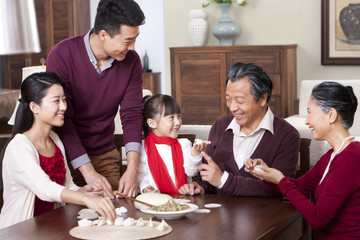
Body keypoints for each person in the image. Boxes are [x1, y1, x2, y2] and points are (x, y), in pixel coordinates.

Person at [46, 0, 146, 198]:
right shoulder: (61, 55)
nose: (133, 47)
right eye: (127, 41)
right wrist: (88, 172)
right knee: (67, 222)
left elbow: (132, 114)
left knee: (121, 213)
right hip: (65, 156)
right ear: (103, 35)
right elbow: (62, 120)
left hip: (105, 154)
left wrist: (132, 170)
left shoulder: (132, 61)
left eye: (135, 39)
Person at [0, 72, 116, 229]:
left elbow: (67, 186)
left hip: (50, 227)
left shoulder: (54, 139)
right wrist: (86, 200)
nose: (63, 107)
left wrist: (84, 191)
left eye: (64, 100)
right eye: (56, 101)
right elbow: (45, 188)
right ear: (34, 107)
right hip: (20, 232)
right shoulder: (19, 148)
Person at [245, 81, 360, 239]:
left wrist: (281, 181)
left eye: (310, 112)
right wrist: (267, 174)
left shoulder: (351, 158)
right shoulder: (331, 156)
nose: (306, 121)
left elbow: (318, 219)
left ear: (331, 115)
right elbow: (299, 187)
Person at [178, 63, 300, 197]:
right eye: (228, 100)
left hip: (264, 216)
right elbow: (209, 180)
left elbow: (278, 188)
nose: (232, 107)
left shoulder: (287, 135)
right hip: (219, 214)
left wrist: (223, 180)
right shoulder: (220, 126)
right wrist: (200, 187)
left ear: (262, 99)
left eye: (240, 101)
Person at [138, 94, 210, 194]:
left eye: (179, 117)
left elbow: (191, 171)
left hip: (183, 199)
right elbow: (142, 176)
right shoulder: (142, 147)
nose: (178, 122)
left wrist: (196, 153)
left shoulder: (184, 144)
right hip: (155, 202)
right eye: (171, 117)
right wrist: (145, 189)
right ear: (152, 123)